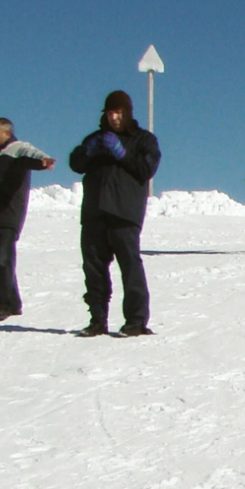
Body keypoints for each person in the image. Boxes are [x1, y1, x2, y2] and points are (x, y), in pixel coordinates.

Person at [69, 90, 161, 337]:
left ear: (128, 113)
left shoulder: (144, 140)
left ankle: (136, 320)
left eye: (119, 113)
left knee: (130, 266)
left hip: (124, 212)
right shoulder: (96, 139)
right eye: (111, 113)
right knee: (94, 268)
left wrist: (122, 152)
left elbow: (146, 169)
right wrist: (86, 151)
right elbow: (75, 164)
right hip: (94, 212)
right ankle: (97, 319)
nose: (115, 118)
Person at [0, 118, 56, 321]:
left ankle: (3, 305)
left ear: (6, 134)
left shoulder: (16, 149)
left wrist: (44, 162)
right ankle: (14, 303)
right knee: (0, 262)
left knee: (2, 260)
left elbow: (31, 156)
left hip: (8, 215)